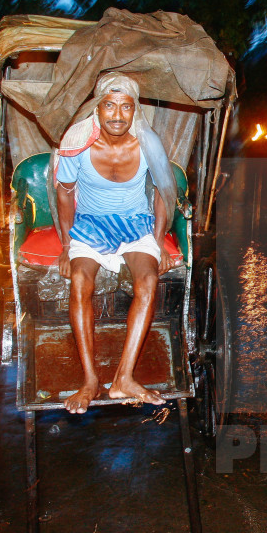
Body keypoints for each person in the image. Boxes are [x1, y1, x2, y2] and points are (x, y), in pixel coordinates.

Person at [54, 72, 178, 414]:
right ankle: (91, 381)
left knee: (149, 280)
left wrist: (158, 242)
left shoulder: (148, 143)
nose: (117, 115)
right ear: (98, 107)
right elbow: (64, 195)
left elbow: (164, 195)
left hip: (136, 226)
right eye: (109, 105)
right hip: (89, 226)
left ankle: (124, 377)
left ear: (134, 110)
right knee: (79, 281)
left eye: (125, 107)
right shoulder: (76, 142)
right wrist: (67, 246)